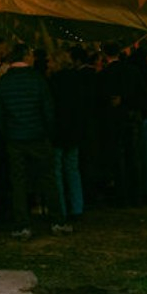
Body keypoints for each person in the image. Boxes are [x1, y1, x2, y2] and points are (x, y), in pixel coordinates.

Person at [0, 42, 69, 239]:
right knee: (48, 178)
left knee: (18, 182)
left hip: (15, 137)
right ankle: (57, 221)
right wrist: (47, 131)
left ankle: (23, 224)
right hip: (38, 135)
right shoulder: (38, 80)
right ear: (26, 57)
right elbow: (48, 110)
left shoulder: (3, 82)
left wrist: (8, 132)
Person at [97, 42, 147, 206]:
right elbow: (143, 95)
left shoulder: (104, 75)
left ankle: (122, 195)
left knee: (118, 157)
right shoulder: (132, 71)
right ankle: (136, 194)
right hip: (132, 117)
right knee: (134, 156)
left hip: (113, 120)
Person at [48, 48, 84, 221]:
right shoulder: (77, 80)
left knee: (57, 172)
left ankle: (60, 207)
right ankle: (77, 206)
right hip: (74, 130)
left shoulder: (52, 82)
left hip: (57, 131)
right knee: (72, 169)